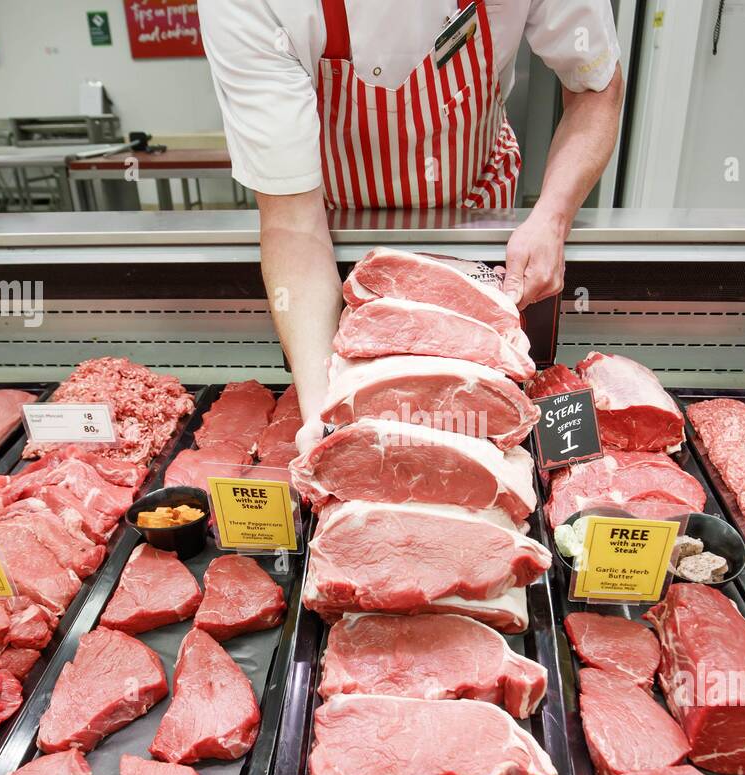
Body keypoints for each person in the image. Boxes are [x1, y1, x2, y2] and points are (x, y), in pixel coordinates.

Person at [198, 0, 624, 451]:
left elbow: (595, 86)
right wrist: (328, 419)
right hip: (335, 245)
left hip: (475, 219)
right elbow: (293, 225)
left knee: (481, 425)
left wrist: (552, 218)